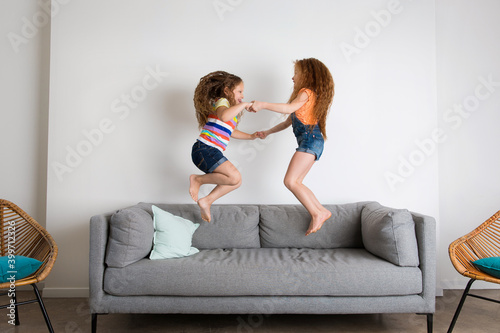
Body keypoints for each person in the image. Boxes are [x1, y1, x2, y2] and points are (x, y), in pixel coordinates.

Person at [251, 58, 335, 236]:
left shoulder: (306, 92)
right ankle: (321, 210)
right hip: (313, 141)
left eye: (296, 73)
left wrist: (263, 105)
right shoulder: (306, 98)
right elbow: (287, 122)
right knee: (296, 182)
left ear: (306, 75)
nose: (293, 78)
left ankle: (317, 212)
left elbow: (288, 109)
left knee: (290, 181)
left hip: (310, 140)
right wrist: (267, 132)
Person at [189, 71, 258, 222]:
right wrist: (245, 105)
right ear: (227, 91)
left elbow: (231, 132)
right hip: (205, 149)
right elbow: (224, 116)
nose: (242, 95)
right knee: (234, 177)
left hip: (208, 151)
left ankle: (207, 200)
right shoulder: (221, 102)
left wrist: (252, 136)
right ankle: (198, 180)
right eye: (239, 91)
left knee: (235, 181)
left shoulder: (229, 112)